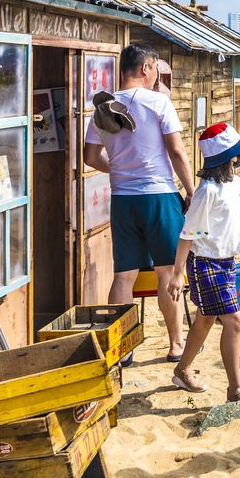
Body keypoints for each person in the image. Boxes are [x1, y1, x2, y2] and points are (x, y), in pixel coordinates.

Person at [83, 42, 196, 362]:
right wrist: (191, 191)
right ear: (145, 69)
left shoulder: (103, 107)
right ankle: (175, 344)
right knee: (167, 273)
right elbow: (176, 152)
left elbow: (90, 157)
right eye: (155, 71)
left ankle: (122, 347)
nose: (156, 77)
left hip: (122, 199)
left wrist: (118, 167)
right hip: (159, 196)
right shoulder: (159, 103)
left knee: (124, 277)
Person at [165, 124, 240, 400]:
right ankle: (235, 388)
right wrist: (178, 273)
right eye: (239, 152)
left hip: (227, 262)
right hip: (205, 263)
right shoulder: (207, 192)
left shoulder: (236, 185)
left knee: (205, 319)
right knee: (234, 320)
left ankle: (183, 370)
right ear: (232, 158)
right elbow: (187, 234)